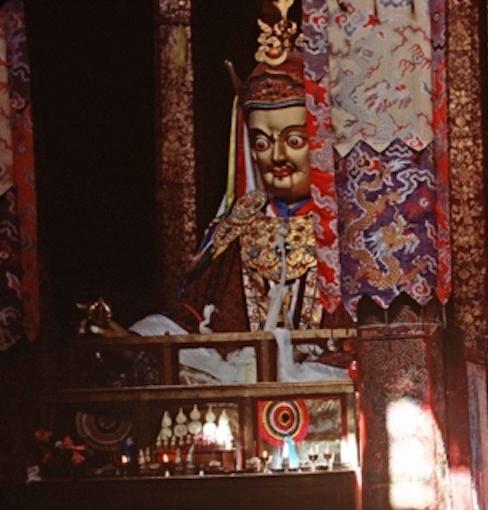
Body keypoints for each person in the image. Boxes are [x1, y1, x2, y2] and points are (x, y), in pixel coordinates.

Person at [88, 2, 347, 384]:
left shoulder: (351, 233)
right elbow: (189, 321)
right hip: (237, 398)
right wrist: (133, 341)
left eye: (294, 139)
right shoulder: (237, 227)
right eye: (261, 142)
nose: (277, 156)